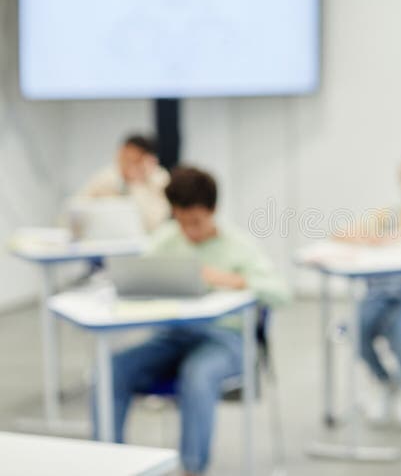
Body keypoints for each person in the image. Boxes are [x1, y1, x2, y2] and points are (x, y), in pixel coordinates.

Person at [93, 166, 290, 476]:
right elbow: (138, 275)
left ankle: (192, 469)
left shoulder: (239, 244)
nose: (190, 232)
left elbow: (281, 292)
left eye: (196, 222)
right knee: (111, 369)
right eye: (182, 223)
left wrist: (230, 279)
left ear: (213, 210)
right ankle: (108, 463)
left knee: (197, 374)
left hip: (226, 340)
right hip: (172, 337)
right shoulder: (166, 239)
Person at [334, 150, 401, 429]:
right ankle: (384, 382)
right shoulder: (389, 215)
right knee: (354, 328)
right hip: (378, 296)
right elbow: (341, 235)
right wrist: (374, 239)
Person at [76, 134, 170, 232]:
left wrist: (137, 184)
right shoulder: (107, 176)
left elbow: (154, 224)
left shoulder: (160, 180)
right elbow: (77, 206)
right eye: (123, 158)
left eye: (132, 161)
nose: (125, 165)